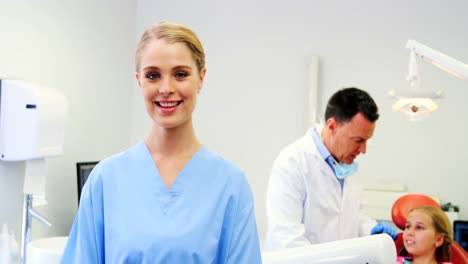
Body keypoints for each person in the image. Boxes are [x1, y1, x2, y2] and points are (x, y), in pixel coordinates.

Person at [61, 21, 262, 263]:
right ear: (139, 81)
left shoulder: (230, 184)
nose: (166, 88)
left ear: (201, 78)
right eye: (153, 75)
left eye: (180, 74)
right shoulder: (104, 180)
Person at [264, 87, 397, 250]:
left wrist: (372, 231)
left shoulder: (346, 166)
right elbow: (287, 238)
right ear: (332, 126)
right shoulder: (292, 163)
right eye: (358, 140)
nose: (363, 150)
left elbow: (356, 216)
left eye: (366, 141)